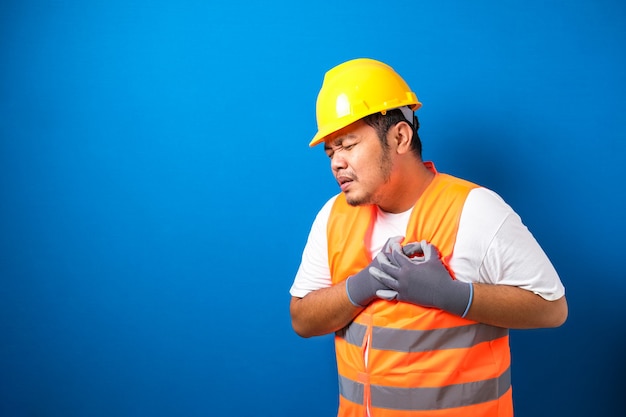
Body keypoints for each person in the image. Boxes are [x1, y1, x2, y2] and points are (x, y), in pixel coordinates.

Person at [289, 58, 568, 417]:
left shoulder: (474, 209)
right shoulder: (333, 215)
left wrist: (451, 295)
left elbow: (552, 308)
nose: (336, 162)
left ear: (400, 137)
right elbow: (302, 320)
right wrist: (360, 287)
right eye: (331, 151)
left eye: (348, 144)